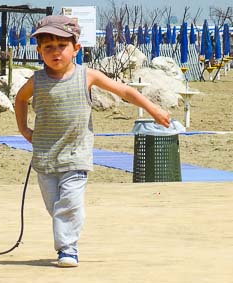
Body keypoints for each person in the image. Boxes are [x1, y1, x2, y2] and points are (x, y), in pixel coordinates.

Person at [14, 15, 170, 268]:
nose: (55, 53)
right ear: (39, 51)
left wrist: (154, 109)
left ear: (76, 49)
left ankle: (67, 249)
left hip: (77, 155)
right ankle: (67, 239)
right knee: (56, 207)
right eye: (48, 47)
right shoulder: (37, 81)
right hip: (44, 156)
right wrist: (24, 129)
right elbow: (20, 100)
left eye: (61, 46)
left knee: (70, 204)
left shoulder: (87, 76)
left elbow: (125, 91)